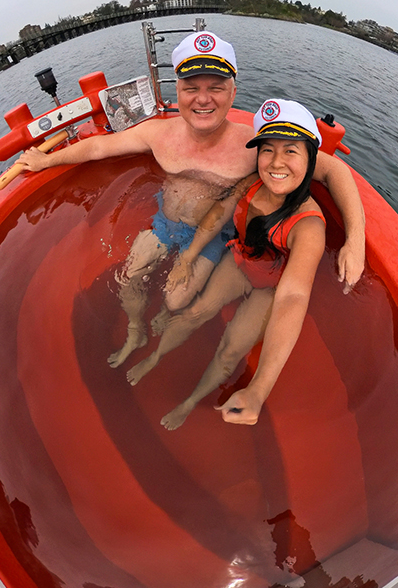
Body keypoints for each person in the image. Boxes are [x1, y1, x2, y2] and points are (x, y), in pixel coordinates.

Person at [12, 32, 366, 365]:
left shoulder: (255, 147)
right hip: (165, 224)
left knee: (175, 298)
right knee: (127, 278)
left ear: (232, 92)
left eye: (216, 87)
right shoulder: (158, 133)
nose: (203, 98)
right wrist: (46, 160)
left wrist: (355, 240)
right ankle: (136, 330)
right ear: (178, 91)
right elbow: (100, 146)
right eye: (191, 88)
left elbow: (334, 171)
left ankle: (170, 317)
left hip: (214, 236)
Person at [125, 100, 328, 431]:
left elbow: (293, 296)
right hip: (240, 262)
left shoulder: (308, 227)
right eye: (267, 150)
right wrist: (188, 257)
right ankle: (155, 357)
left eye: (291, 151)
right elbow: (218, 214)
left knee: (231, 348)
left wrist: (259, 390)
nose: (277, 162)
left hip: (271, 288)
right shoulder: (251, 184)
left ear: (310, 160)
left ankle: (189, 402)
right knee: (195, 311)